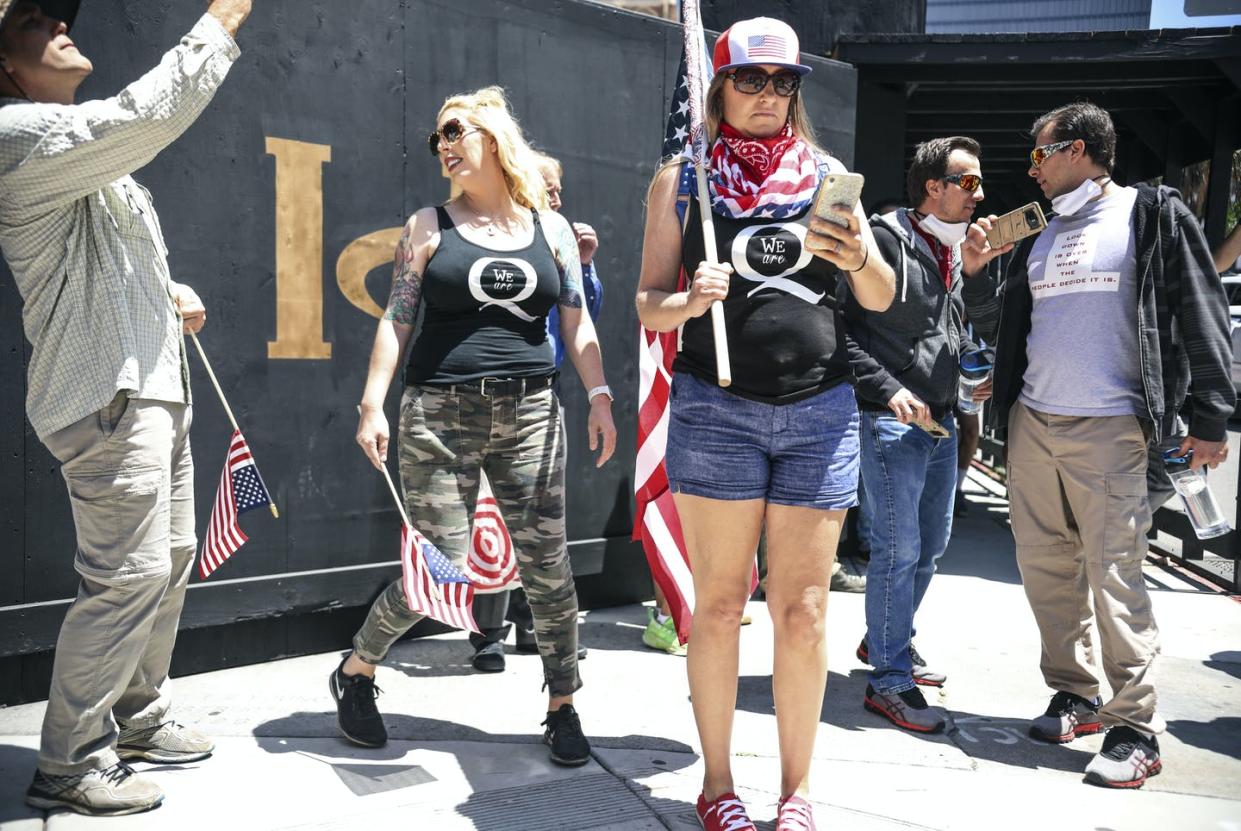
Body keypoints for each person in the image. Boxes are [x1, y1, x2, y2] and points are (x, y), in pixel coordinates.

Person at [635, 18, 895, 830]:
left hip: (818, 413)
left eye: (783, 82)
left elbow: (882, 297)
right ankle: (717, 786)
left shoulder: (827, 177)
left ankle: (795, 794)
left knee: (804, 609)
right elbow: (646, 300)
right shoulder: (684, 180)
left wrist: (858, 258)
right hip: (716, 409)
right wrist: (689, 300)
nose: (768, 96)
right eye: (752, 80)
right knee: (717, 605)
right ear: (718, 86)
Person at [0, 0, 249, 816]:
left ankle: (135, 714)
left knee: (170, 556)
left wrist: (165, 291)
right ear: (6, 66)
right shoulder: (17, 134)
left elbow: (94, 257)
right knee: (127, 576)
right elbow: (149, 113)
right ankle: (71, 759)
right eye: (35, 20)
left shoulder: (84, 155)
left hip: (150, 386)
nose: (60, 24)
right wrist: (222, 19)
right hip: (107, 397)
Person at [332, 86, 617, 769]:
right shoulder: (428, 225)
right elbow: (397, 318)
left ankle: (562, 704)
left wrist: (600, 393)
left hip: (529, 410)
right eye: (437, 137)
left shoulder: (550, 228)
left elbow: (576, 324)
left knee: (547, 567)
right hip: (438, 411)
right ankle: (358, 668)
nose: (444, 145)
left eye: (455, 130)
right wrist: (372, 404)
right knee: (444, 568)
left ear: (493, 137)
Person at [961, 101, 1234, 788]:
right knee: (1046, 568)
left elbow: (1199, 307)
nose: (1033, 169)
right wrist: (977, 268)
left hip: (1111, 425)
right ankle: (1076, 691)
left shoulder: (1151, 213)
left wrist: (1209, 415)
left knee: (1113, 573)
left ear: (1077, 150)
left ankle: (1135, 726)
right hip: (1033, 423)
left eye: (1039, 154)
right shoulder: (1040, 231)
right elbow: (1012, 320)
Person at [842, 136, 990, 733]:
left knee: (929, 548)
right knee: (897, 550)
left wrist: (969, 380)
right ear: (935, 186)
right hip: (890, 420)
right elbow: (839, 331)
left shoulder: (958, 250)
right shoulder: (881, 239)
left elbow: (966, 327)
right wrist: (885, 389)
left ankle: (885, 642)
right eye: (970, 183)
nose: (980, 195)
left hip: (942, 420)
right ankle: (889, 679)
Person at [468, 151, 600, 671]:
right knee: (490, 516)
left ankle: (534, 629)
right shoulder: (486, 238)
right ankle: (488, 635)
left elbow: (583, 315)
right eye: (551, 188)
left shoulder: (559, 239)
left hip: (543, 393)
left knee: (540, 518)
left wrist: (584, 266)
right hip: (484, 398)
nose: (560, 199)